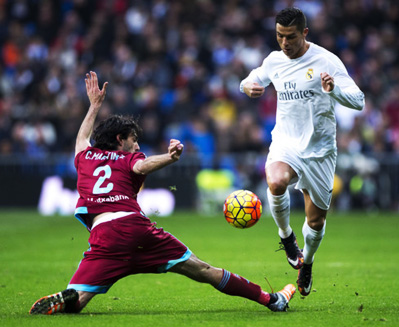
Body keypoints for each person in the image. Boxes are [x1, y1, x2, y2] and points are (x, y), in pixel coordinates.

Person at [29, 71, 296, 315]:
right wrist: (170, 157)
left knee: (78, 300)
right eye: (133, 139)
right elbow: (141, 165)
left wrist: (94, 106)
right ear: (121, 140)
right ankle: (272, 300)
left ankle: (68, 297)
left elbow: (80, 141)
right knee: (203, 270)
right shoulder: (127, 159)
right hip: (134, 228)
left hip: (104, 239)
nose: (137, 144)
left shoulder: (86, 158)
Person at [240, 8, 364, 296]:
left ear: (304, 33)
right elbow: (249, 79)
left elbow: (358, 100)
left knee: (316, 222)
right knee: (276, 181)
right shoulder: (274, 61)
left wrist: (334, 90)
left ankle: (307, 262)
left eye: (291, 37)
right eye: (279, 36)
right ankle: (286, 237)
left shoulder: (326, 61)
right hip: (286, 142)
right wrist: (247, 87)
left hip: (320, 151)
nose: (285, 42)